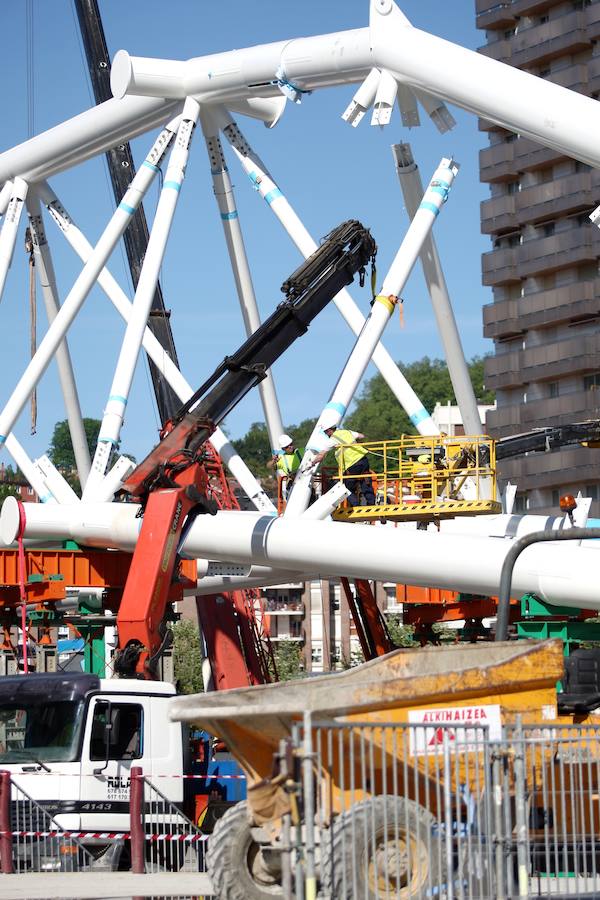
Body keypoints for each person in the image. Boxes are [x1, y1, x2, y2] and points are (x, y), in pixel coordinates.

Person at [313, 412, 375, 507]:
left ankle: (356, 506)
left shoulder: (332, 440)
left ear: (329, 430)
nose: (326, 434)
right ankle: (372, 504)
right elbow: (361, 436)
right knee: (365, 482)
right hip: (363, 460)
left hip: (352, 465)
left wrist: (312, 463)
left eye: (325, 432)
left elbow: (321, 455)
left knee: (345, 488)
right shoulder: (347, 432)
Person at [267, 434, 304, 501]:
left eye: (291, 444)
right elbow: (268, 466)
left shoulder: (302, 451)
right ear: (283, 449)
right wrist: (273, 461)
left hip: (305, 480)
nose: (290, 447)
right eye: (287, 446)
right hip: (293, 485)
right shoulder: (281, 458)